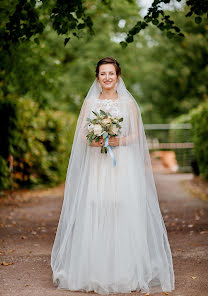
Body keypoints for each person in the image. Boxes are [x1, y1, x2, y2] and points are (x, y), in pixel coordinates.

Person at [50, 57, 175, 295]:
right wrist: (96, 140)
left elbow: (137, 136)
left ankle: (124, 271)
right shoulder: (90, 103)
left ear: (118, 76)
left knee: (122, 210)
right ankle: (95, 270)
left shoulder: (129, 104)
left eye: (111, 73)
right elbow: (81, 136)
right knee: (96, 208)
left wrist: (117, 140)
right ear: (97, 78)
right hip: (97, 165)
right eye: (102, 74)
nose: (107, 78)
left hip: (122, 165)